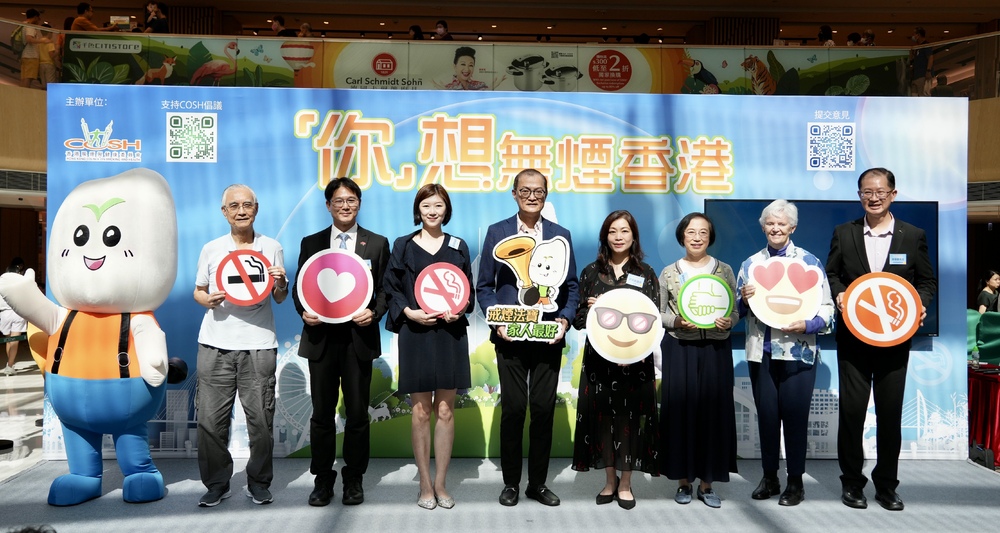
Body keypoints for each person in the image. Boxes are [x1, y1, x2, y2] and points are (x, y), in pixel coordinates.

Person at [826, 167, 937, 511]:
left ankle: (887, 485)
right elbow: (831, 273)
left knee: (890, 415)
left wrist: (920, 304)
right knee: (852, 414)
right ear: (859, 195)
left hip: (894, 340)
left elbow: (926, 281)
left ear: (893, 194)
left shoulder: (912, 235)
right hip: (854, 340)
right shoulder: (844, 232)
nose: (873, 198)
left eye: (880, 192)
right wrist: (839, 292)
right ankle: (851, 483)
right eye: (866, 192)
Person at [476, 168, 579, 507]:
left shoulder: (561, 235)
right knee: (514, 409)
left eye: (538, 191)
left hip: (549, 337)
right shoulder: (497, 232)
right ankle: (511, 483)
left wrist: (564, 319)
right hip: (509, 336)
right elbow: (484, 286)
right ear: (514, 193)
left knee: (543, 410)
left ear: (546, 195)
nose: (532, 196)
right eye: (525, 191)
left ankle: (537, 483)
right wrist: (497, 321)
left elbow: (572, 286)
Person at [292, 177, 390, 507]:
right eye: (339, 200)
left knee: (358, 413)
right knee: (321, 413)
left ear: (359, 204)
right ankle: (322, 479)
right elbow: (300, 288)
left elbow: (385, 290)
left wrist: (374, 313)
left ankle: (354, 478)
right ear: (328, 205)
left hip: (358, 340)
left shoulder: (377, 243)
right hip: (321, 339)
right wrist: (304, 312)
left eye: (351, 200)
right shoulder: (312, 242)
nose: (345, 206)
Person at [193, 185, 288, 507]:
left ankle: (259, 482)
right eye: (234, 206)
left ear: (256, 209)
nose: (241, 211)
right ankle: (216, 484)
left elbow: (279, 296)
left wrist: (281, 282)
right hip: (214, 344)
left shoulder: (271, 247)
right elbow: (198, 291)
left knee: (261, 421)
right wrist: (207, 299)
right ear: (224, 212)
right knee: (210, 421)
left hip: (259, 345)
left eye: (247, 205)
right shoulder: (211, 249)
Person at [736, 200, 834, 507]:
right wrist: (743, 300)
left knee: (795, 419)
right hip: (761, 353)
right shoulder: (750, 265)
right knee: (766, 418)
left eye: (782, 224)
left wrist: (809, 323)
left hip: (798, 353)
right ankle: (770, 477)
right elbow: (736, 312)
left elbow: (828, 309)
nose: (775, 229)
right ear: (763, 227)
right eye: (770, 223)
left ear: (792, 227)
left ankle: (795, 482)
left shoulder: (809, 262)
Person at [383, 184, 474, 510]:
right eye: (426, 205)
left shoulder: (458, 246)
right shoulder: (403, 245)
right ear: (417, 210)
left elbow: (468, 291)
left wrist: (460, 310)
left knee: (446, 409)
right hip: (416, 333)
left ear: (446, 209)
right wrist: (409, 312)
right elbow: (391, 287)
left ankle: (441, 483)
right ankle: (424, 483)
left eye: (438, 205)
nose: (432, 211)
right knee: (420, 410)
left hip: (450, 334)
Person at [571, 210, 660, 510]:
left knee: (630, 421)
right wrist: (590, 309)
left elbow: (653, 319)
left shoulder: (646, 273)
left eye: (624, 231)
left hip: (635, 362)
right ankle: (609, 481)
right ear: (604, 236)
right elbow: (578, 320)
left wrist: (632, 354)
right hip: (599, 361)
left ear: (634, 236)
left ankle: (626, 484)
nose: (618, 237)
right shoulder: (590, 273)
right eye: (612, 231)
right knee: (602, 420)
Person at [658, 212, 738, 509]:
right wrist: (677, 321)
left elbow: (735, 310)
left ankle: (707, 484)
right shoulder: (668, 272)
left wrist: (729, 322)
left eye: (703, 232)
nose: (697, 237)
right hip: (680, 349)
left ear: (710, 237)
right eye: (691, 232)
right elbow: (659, 313)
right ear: (682, 236)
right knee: (681, 414)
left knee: (713, 414)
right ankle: (683, 481)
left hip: (716, 349)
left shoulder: (724, 270)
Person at [1, 258, 28, 376]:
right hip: (17, 312)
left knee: (9, 340)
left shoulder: (1, 280)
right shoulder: (21, 281)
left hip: (4, 313)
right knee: (15, 340)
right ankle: (10, 365)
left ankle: (10, 364)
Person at [19, 9, 50, 88]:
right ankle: (25, 93)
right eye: (38, 18)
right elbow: (29, 39)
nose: (39, 20)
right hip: (31, 56)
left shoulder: (23, 25)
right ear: (35, 17)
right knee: (28, 78)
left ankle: (23, 92)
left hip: (25, 55)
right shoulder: (30, 26)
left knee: (25, 77)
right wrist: (42, 41)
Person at [909, 27, 933, 97]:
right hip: (915, 76)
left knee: (922, 95)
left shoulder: (926, 45)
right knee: (914, 95)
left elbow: (930, 57)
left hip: (922, 76)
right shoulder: (918, 47)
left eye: (914, 34)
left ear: (918, 35)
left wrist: (928, 71)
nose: (913, 36)